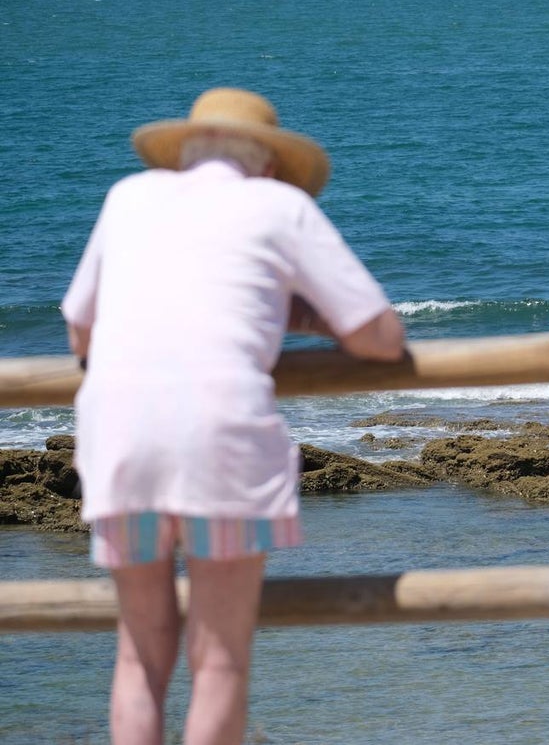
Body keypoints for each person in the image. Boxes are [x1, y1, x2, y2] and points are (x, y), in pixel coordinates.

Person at [61, 87, 408, 745]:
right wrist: (291, 314)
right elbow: (380, 337)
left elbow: (81, 331)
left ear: (182, 154)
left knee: (138, 657)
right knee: (219, 660)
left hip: (119, 437)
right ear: (271, 165)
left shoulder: (128, 197)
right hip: (221, 438)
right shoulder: (280, 205)